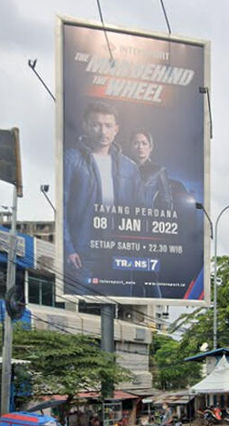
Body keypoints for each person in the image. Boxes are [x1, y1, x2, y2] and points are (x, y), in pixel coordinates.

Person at [63, 101, 143, 295]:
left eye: (108, 126)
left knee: (121, 306)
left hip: (119, 252)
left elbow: (139, 212)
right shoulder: (71, 159)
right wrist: (68, 248)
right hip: (84, 252)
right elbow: (62, 207)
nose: (102, 131)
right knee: (81, 305)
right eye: (96, 125)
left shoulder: (129, 167)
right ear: (86, 126)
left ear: (116, 129)